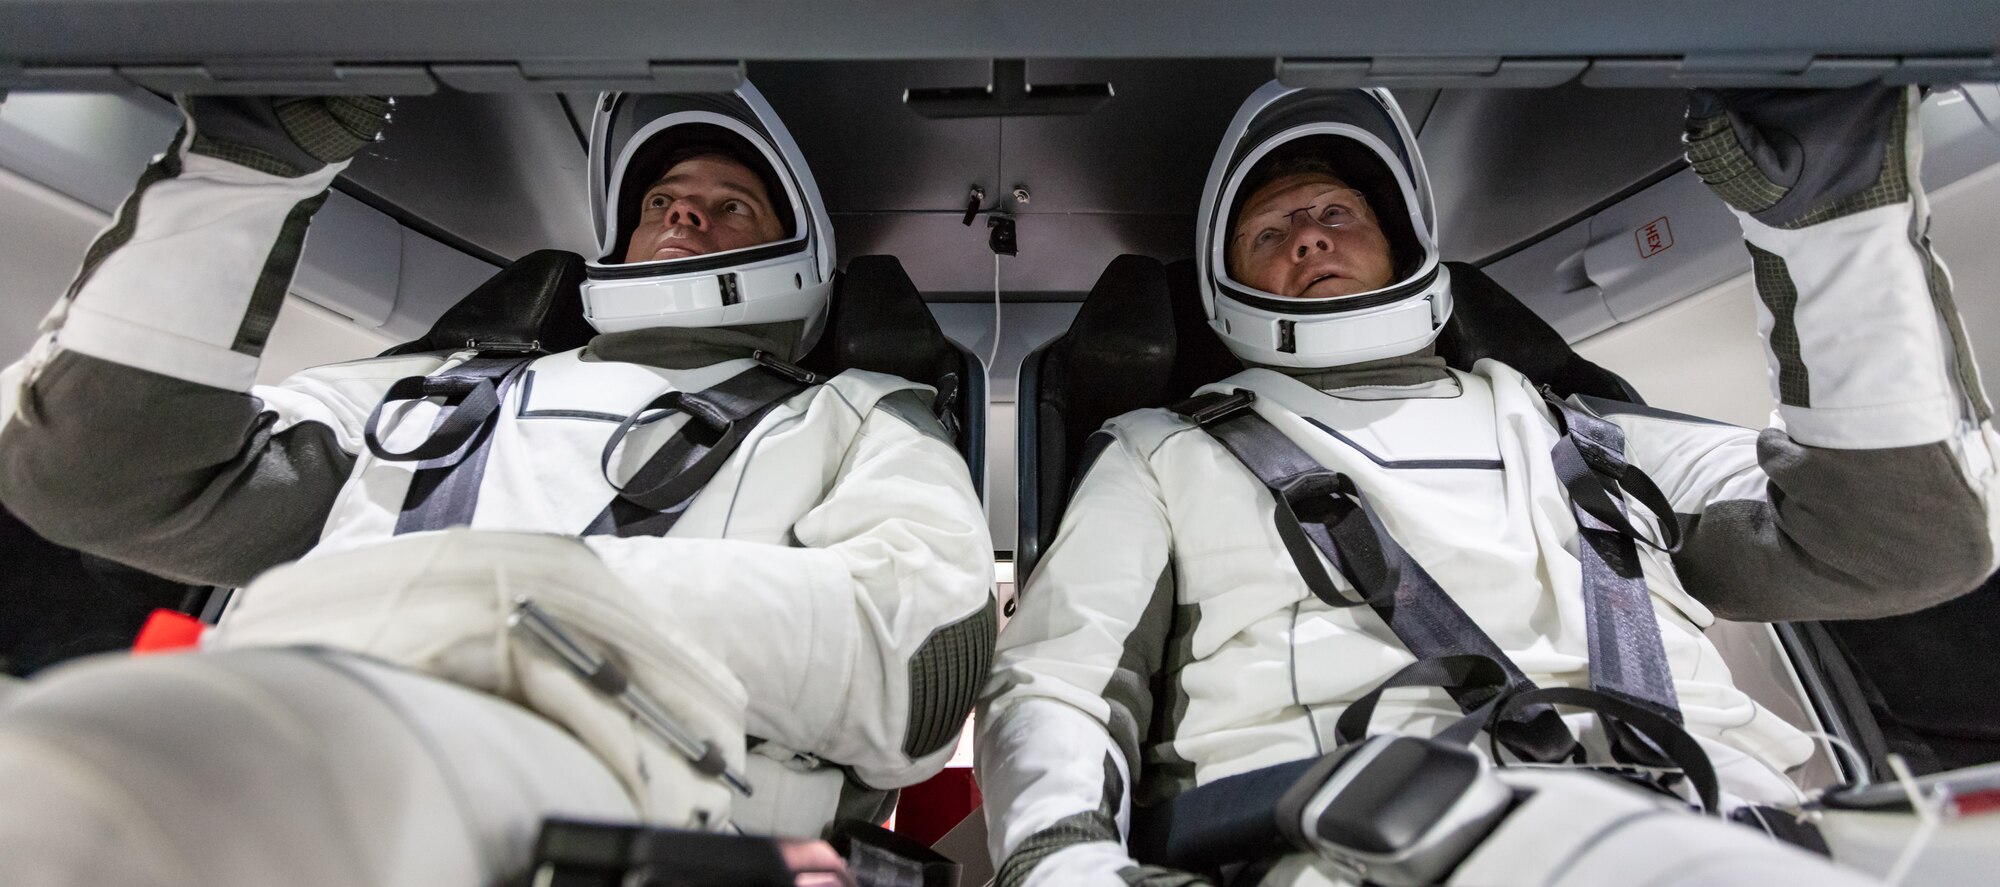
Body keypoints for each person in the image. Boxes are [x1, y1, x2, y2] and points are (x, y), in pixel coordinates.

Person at [977, 82, 1999, 886]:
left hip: (1723, 824)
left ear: (1406, 247)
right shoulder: (1160, 450)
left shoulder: (1591, 431)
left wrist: (1827, 230)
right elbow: (1058, 681)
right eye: (1270, 233)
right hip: (1361, 841)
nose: (1309, 237)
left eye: (1335, 210)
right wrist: (1062, 859)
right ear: (1225, 281)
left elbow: (1900, 542)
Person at [0, 84, 995, 884]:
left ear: (795, 250)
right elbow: (96, 473)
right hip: (302, 709)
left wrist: (513, 595)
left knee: (119, 796)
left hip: (647, 799)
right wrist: (254, 161)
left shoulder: (853, 417)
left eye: (728, 203)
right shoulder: (424, 387)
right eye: (660, 200)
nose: (684, 211)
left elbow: (921, 668)